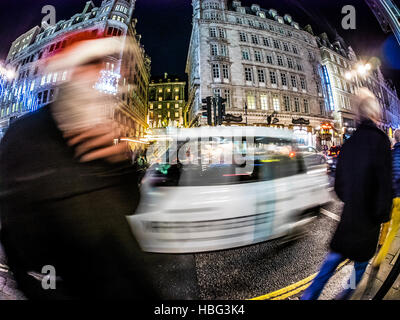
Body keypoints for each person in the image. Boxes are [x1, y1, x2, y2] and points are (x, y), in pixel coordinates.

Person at [0, 31, 159, 299]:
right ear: (71, 72)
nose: (103, 76)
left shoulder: (107, 135)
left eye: (108, 68)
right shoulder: (24, 135)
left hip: (127, 281)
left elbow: (131, 205)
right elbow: (17, 232)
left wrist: (120, 164)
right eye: (93, 66)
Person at [301, 88, 393, 300]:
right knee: (359, 266)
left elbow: (340, 185)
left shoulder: (349, 143)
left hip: (350, 215)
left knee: (332, 260)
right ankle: (343, 296)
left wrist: (350, 198)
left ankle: (310, 295)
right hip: (369, 220)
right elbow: (384, 183)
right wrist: (382, 215)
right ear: (374, 115)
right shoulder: (380, 142)